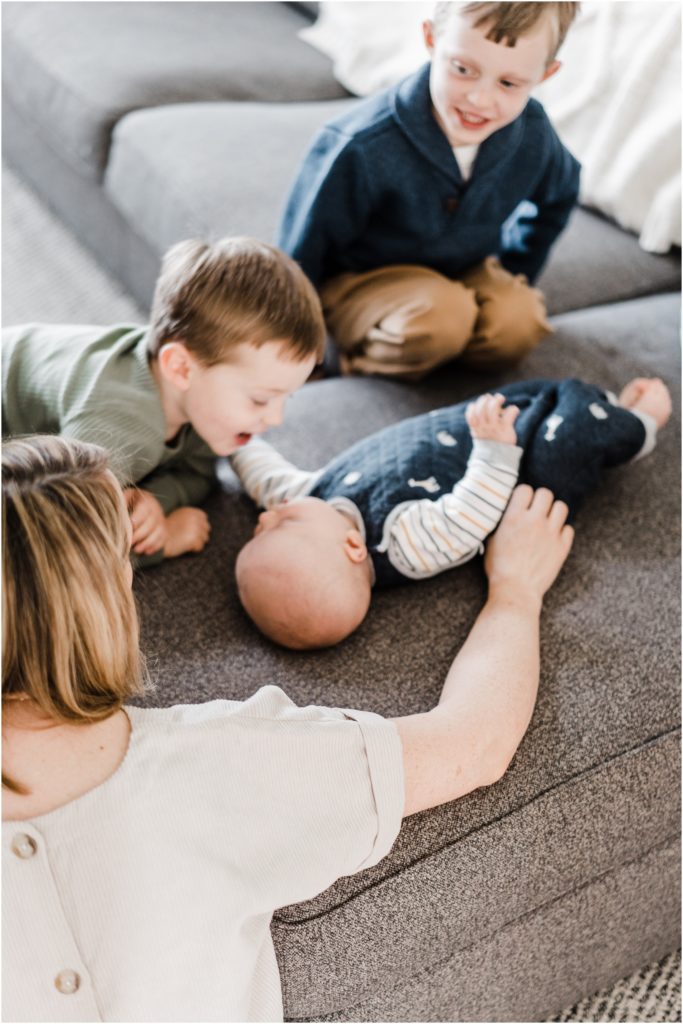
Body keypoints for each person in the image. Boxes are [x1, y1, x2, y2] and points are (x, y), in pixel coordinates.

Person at [2, 434, 573, 1022]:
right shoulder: (221, 763)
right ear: (106, 602)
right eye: (125, 554)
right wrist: (516, 589)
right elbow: (475, 743)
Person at [232, 377, 671, 648]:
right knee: (571, 443)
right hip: (507, 464)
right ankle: (637, 425)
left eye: (260, 528)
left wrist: (234, 441)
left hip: (462, 426)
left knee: (535, 399)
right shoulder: (406, 544)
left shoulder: (309, 497)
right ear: (351, 547)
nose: (267, 516)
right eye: (280, 524)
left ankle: (597, 401)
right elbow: (469, 515)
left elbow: (266, 479)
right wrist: (493, 450)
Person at [278, 1, 581, 380]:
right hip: (360, 283)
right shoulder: (362, 143)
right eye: (463, 69)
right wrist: (304, 341)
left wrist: (514, 269)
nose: (480, 99)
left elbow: (559, 195)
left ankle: (440, 352)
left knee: (518, 322)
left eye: (508, 83)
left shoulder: (533, 133)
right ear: (432, 40)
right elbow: (303, 250)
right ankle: (355, 361)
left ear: (544, 75)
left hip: (464, 272)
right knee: (442, 318)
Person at [1, 236, 324, 565]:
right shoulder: (114, 423)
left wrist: (157, 499)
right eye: (260, 400)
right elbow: (66, 553)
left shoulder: (200, 406)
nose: (276, 419)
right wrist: (164, 540)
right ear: (181, 367)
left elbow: (199, 474)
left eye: (287, 397)